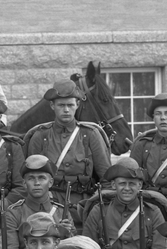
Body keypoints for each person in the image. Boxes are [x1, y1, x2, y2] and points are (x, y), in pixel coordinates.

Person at [23, 81, 111, 226]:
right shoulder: (40, 136)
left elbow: (107, 179)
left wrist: (92, 206)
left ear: (77, 105)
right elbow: (30, 178)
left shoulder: (90, 134)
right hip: (49, 209)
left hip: (83, 207)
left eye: (70, 105)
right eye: (61, 105)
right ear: (52, 106)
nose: (66, 110)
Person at [82, 157, 167, 249]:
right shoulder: (98, 211)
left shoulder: (153, 213)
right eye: (122, 183)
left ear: (140, 185)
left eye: (132, 183)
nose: (127, 188)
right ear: (113, 185)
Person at [1, 156, 75, 249]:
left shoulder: (62, 212)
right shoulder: (14, 213)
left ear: (50, 182)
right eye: (31, 178)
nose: (37, 183)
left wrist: (66, 235)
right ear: (24, 183)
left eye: (42, 178)